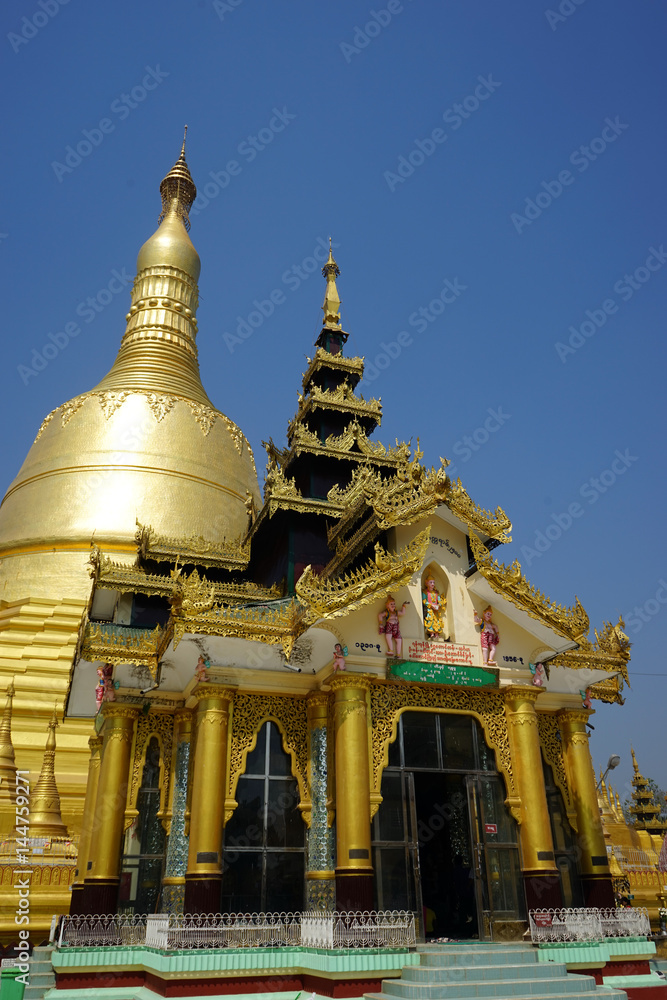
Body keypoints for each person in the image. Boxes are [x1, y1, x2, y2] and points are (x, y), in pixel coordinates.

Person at [422, 576, 446, 640]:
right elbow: (424, 601)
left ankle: (436, 634)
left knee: (437, 621)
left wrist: (438, 605)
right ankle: (432, 634)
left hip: (436, 610)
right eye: (431, 582)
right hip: (430, 609)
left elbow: (439, 600)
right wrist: (431, 605)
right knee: (430, 620)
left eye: (433, 582)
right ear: (427, 583)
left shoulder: (436, 592)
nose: (432, 584)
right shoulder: (425, 592)